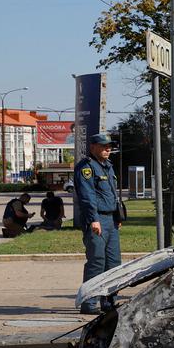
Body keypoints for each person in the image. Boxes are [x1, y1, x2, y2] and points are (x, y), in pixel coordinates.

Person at [74, 133, 122, 314]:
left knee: (114, 262)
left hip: (110, 220)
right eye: (103, 146)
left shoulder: (107, 166)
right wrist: (94, 219)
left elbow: (112, 194)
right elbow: (88, 197)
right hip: (97, 220)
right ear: (93, 147)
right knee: (97, 262)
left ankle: (109, 302)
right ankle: (89, 303)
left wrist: (117, 217)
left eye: (109, 146)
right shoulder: (86, 168)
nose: (108, 149)